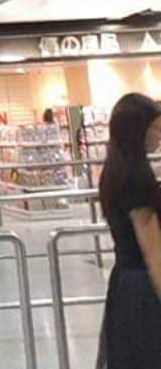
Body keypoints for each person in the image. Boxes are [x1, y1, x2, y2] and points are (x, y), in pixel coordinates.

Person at [97, 92, 161, 368]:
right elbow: (153, 251)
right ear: (137, 131)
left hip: (124, 282)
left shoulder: (114, 170)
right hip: (144, 289)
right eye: (155, 129)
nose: (158, 136)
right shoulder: (138, 177)